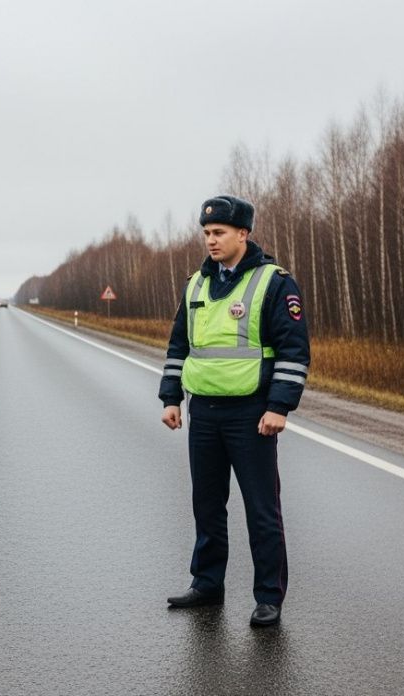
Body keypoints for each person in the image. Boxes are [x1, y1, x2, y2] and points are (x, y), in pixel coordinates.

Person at [159, 194, 310, 628]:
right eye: (206, 233)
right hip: (203, 413)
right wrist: (171, 397)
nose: (211, 240)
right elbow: (178, 346)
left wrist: (280, 406)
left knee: (262, 509)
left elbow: (294, 350)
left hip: (252, 415)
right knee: (207, 505)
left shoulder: (274, 282)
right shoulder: (196, 284)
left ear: (243, 234)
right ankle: (207, 584)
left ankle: (268, 598)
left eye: (219, 232)